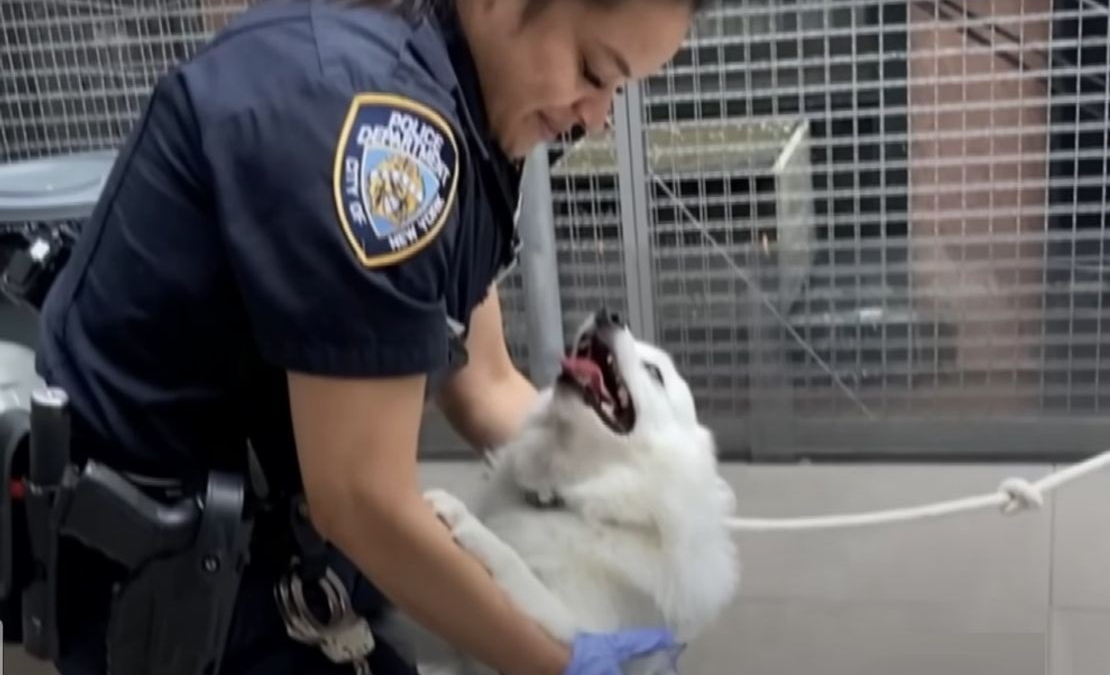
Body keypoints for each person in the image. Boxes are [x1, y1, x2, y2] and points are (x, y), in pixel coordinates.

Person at [21, 0, 711, 674]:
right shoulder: (384, 136)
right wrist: (560, 660)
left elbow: (484, 383)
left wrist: (642, 495)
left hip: (281, 528)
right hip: (178, 579)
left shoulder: (466, 102)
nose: (594, 117)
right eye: (593, 70)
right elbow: (362, 499)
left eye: (617, 89)